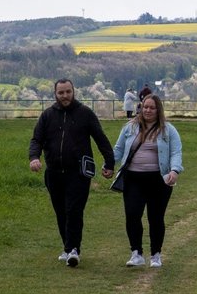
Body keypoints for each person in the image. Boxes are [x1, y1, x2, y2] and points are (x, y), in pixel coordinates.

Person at [29, 78, 115, 268]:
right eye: (61, 93)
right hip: (54, 173)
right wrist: (34, 157)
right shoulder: (47, 116)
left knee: (73, 210)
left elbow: (100, 138)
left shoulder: (85, 114)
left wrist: (109, 162)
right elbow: (36, 139)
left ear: (73, 92)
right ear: (55, 94)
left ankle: (73, 249)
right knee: (61, 212)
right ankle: (68, 247)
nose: (65, 96)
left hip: (78, 173)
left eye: (68, 92)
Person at [113, 94, 182, 268]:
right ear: (140, 108)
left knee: (156, 217)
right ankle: (136, 253)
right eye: (145, 107)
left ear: (158, 110)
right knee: (132, 214)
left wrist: (174, 170)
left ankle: (155, 255)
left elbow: (176, 152)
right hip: (133, 178)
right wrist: (108, 164)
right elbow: (118, 149)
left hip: (159, 180)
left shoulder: (168, 130)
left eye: (152, 108)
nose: (148, 110)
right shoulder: (130, 127)